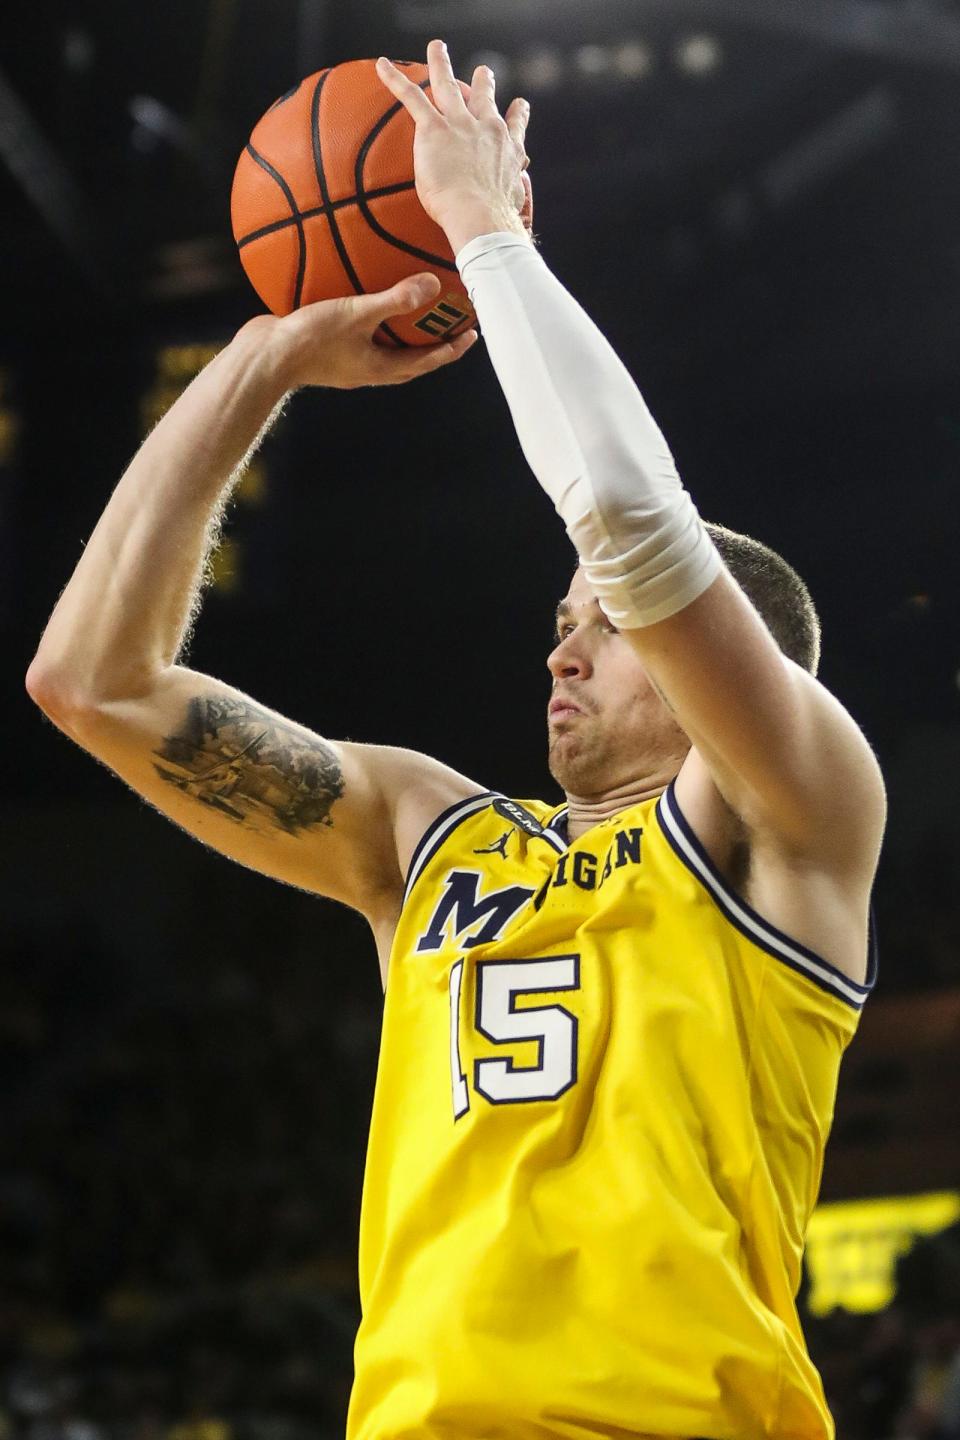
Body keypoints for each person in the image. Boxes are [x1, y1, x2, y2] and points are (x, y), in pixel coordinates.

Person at [26, 37, 885, 1440]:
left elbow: (626, 512)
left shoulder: (790, 811)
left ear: (747, 667)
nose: (563, 642)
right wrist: (263, 360)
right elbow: (91, 682)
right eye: (562, 618)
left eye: (606, 626)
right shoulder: (429, 835)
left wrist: (485, 230)